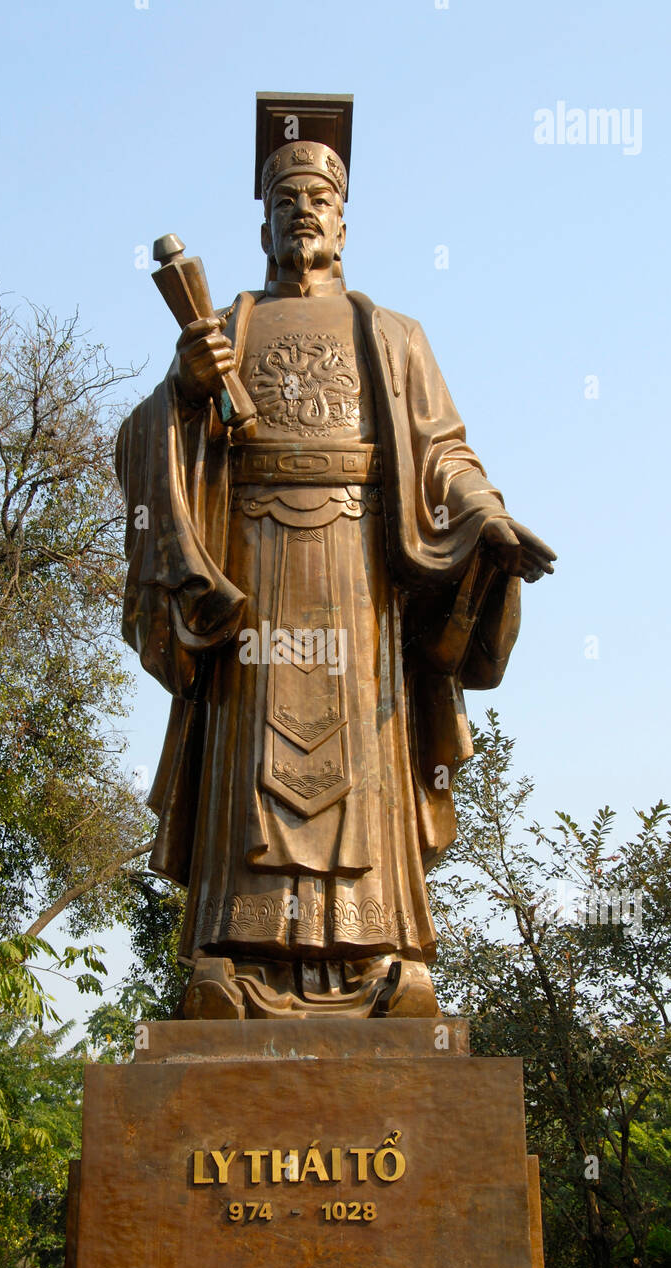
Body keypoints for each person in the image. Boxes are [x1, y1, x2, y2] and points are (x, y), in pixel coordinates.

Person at [115, 140, 556, 1019]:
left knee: (361, 750)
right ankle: (231, 956)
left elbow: (447, 456)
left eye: (321, 197)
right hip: (253, 564)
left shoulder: (389, 333)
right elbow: (139, 444)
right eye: (288, 200)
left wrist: (487, 517)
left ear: (344, 219)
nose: (305, 210)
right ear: (266, 222)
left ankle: (381, 954)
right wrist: (187, 389)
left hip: (361, 573)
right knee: (255, 747)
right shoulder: (229, 322)